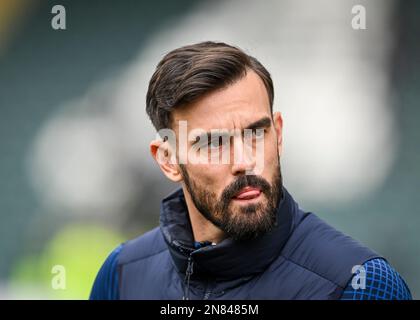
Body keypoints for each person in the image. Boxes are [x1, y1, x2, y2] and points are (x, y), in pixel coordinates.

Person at [90, 41, 411, 300]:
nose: (244, 161)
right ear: (168, 160)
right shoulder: (121, 275)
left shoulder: (360, 285)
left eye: (257, 133)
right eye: (214, 143)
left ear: (279, 134)